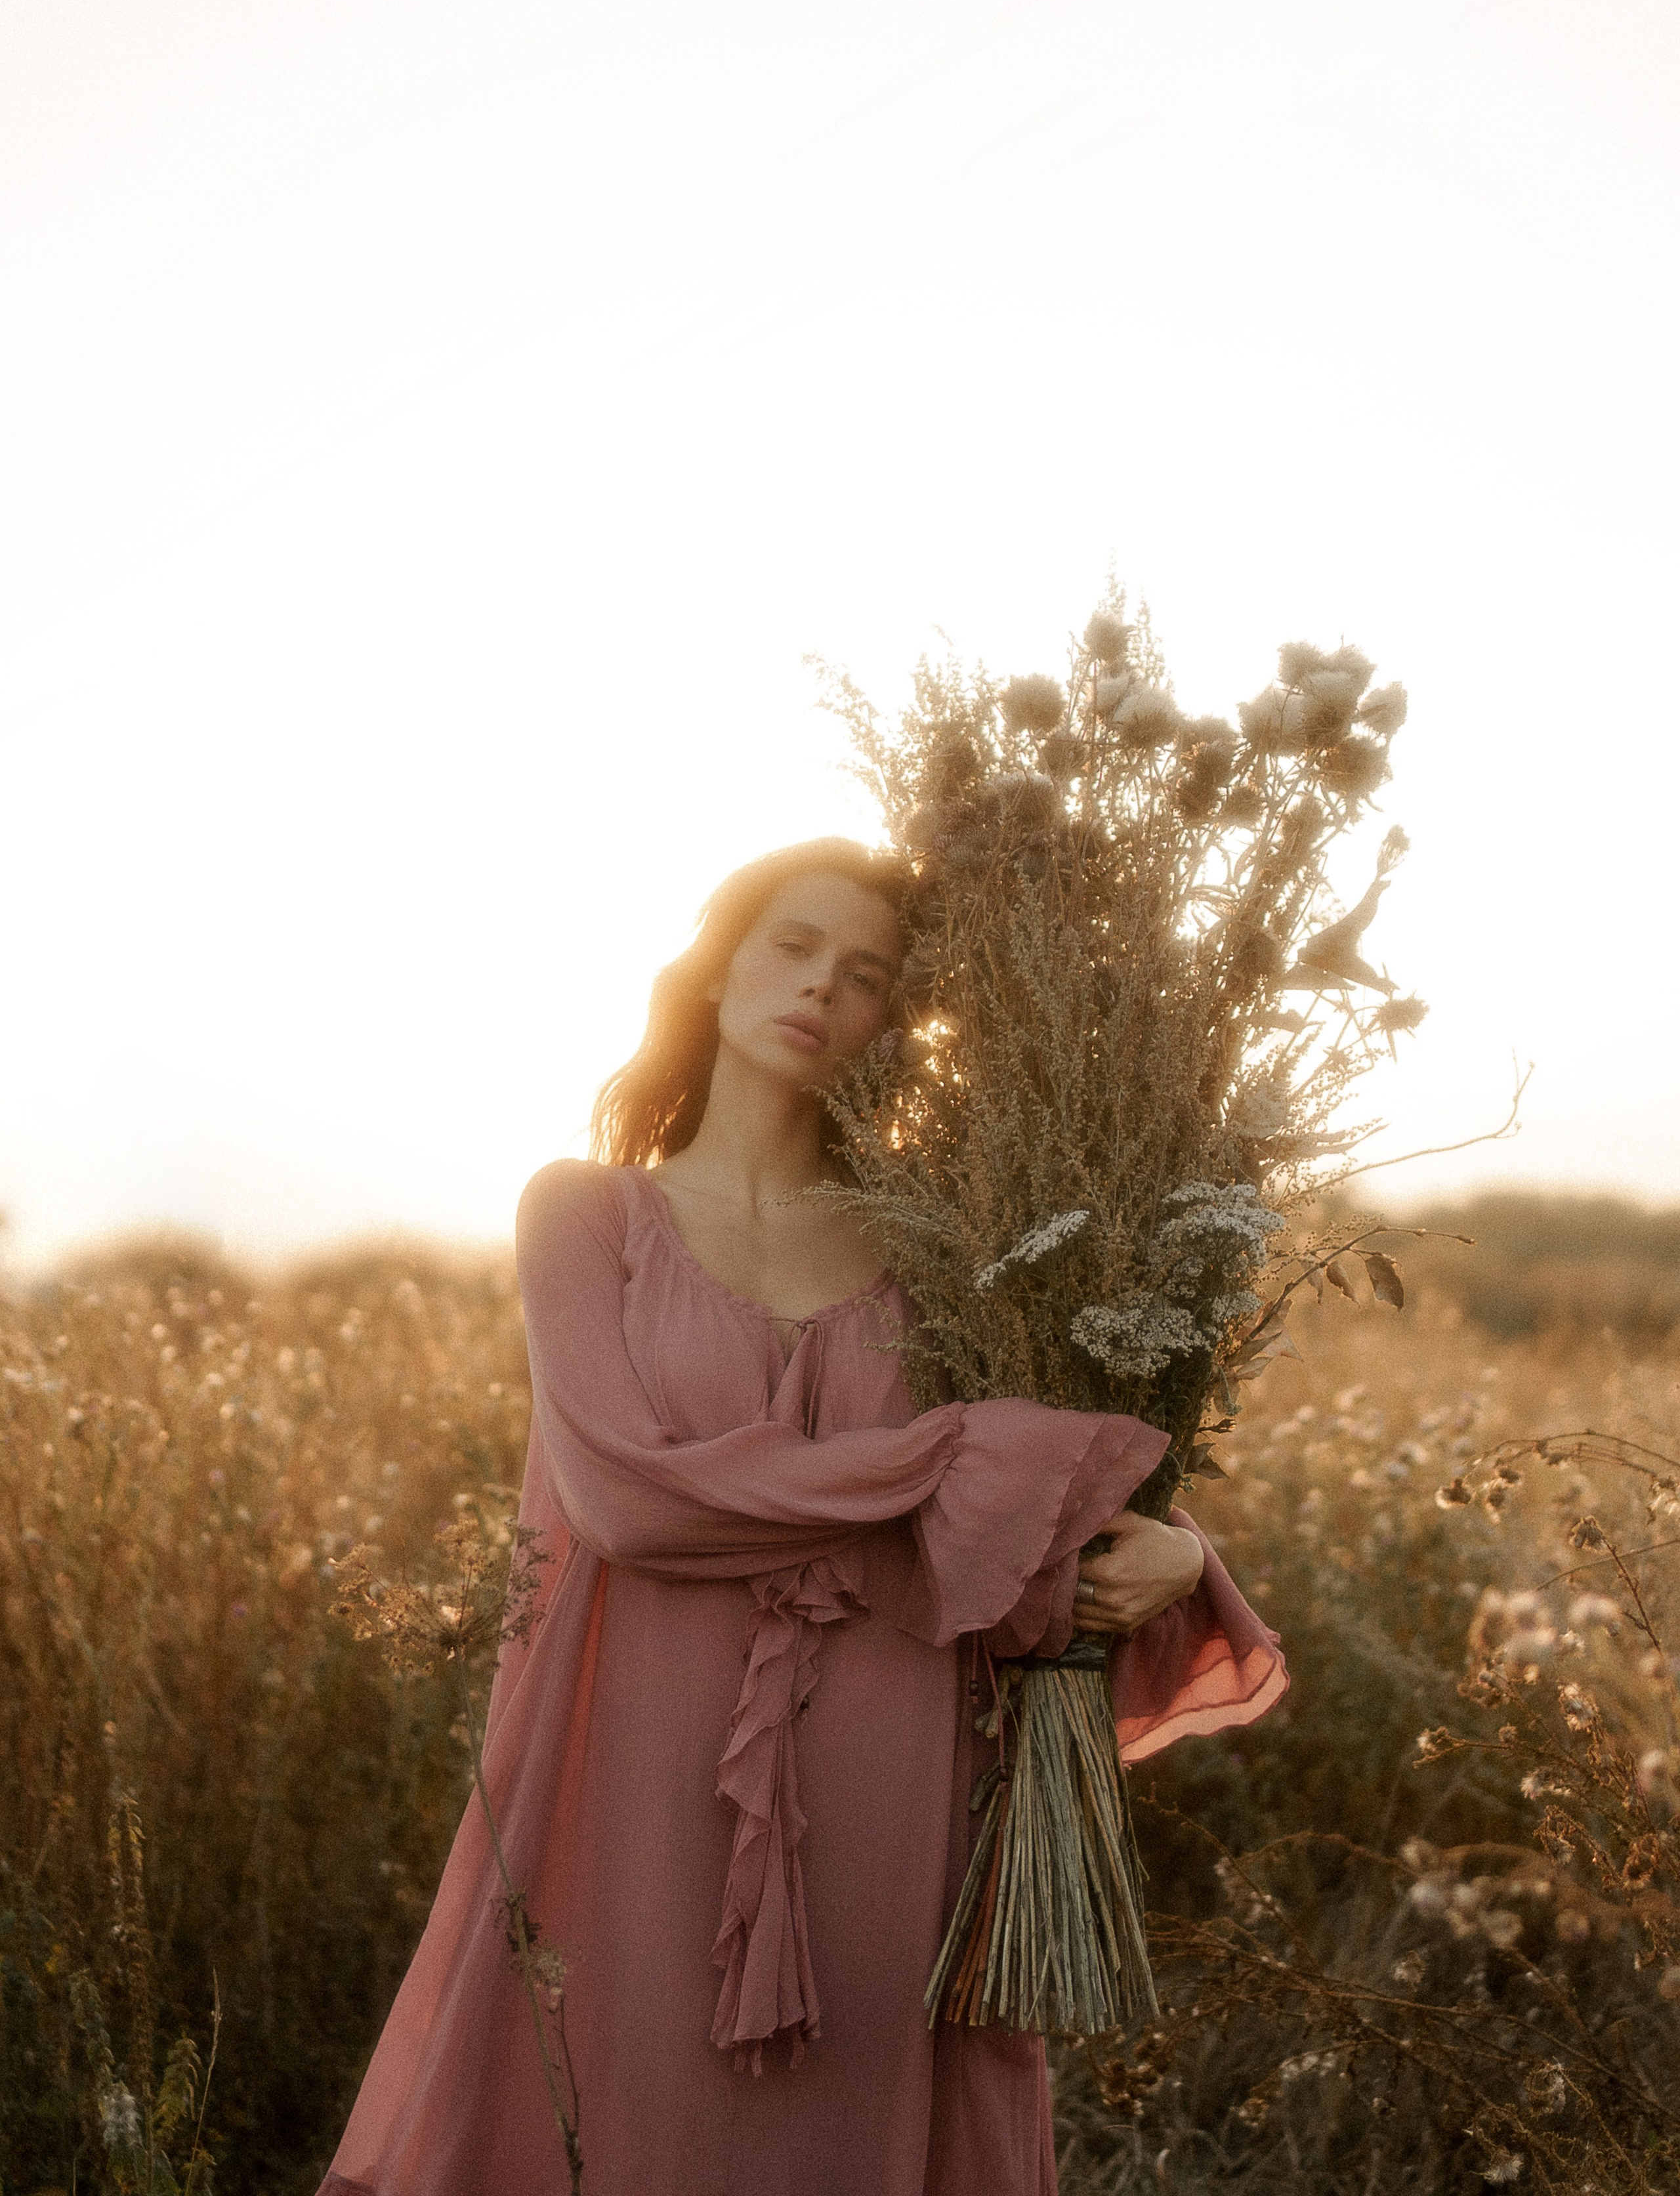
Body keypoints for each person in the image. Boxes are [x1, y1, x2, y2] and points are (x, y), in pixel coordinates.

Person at [319, 838, 1286, 2196]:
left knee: (856, 2123)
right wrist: (952, 1458)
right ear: (716, 966)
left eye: (867, 976)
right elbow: (628, 1501)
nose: (821, 989)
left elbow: (1025, 1516)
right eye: (792, 947)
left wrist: (1179, 1549)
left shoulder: (945, 1250)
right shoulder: (586, 1214)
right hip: (634, 1759)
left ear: (898, 1023)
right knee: (617, 2100)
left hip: (894, 1763)